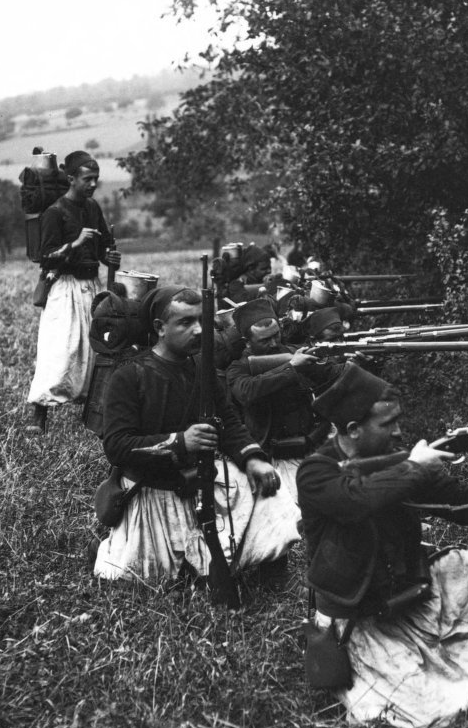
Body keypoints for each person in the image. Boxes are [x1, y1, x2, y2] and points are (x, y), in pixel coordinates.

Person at [296, 363, 468, 728]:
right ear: (353, 430)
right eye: (387, 424)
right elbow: (354, 501)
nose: (399, 432)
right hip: (362, 617)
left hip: (413, 592)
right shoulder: (315, 472)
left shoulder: (405, 462)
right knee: (427, 713)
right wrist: (414, 468)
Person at [93, 286, 300, 584]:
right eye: (185, 322)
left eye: (201, 320)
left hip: (203, 479)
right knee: (151, 576)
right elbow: (117, 446)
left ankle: (268, 577)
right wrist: (180, 441)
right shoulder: (128, 376)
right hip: (153, 491)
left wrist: (252, 458)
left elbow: (228, 421)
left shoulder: (202, 369)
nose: (198, 330)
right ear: (160, 328)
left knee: (271, 492)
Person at [26, 151, 121, 434]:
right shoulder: (55, 212)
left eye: (96, 179)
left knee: (93, 351)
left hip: (92, 287)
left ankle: (90, 415)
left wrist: (109, 257)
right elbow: (46, 257)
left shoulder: (92, 208)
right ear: (71, 179)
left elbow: (103, 246)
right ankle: (38, 415)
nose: (93, 184)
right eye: (87, 179)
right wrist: (76, 243)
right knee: (60, 350)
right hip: (65, 289)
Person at [225, 299, 336, 498]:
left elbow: (332, 374)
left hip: (314, 448)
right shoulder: (239, 368)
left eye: (277, 335)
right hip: (275, 461)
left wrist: (360, 364)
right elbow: (246, 391)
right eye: (265, 340)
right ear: (247, 342)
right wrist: (292, 368)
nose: (274, 344)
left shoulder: (295, 352)